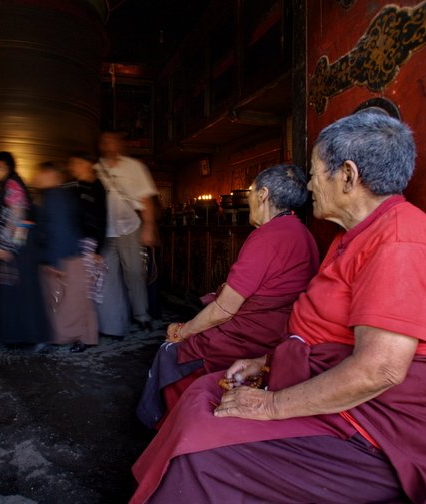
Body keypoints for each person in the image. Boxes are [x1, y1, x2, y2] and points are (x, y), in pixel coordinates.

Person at [130, 110, 426, 503]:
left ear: (347, 176)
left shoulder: (400, 239)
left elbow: (380, 370)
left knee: (202, 451)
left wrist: (270, 405)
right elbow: (323, 327)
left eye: (313, 173)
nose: (309, 186)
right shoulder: (356, 234)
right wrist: (265, 362)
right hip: (310, 369)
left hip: (370, 420)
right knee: (204, 397)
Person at [136, 164, 319, 428]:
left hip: (249, 337)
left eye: (252, 192)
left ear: (263, 195)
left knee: (170, 350)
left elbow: (224, 309)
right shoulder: (302, 233)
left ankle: (167, 426)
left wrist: (184, 331)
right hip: (276, 331)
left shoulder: (268, 237)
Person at [95, 131, 159, 337]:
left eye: (113, 139)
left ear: (120, 143)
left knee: (134, 274)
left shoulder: (134, 167)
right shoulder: (96, 169)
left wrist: (148, 227)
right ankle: (113, 322)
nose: (109, 144)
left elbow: (146, 199)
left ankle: (142, 316)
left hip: (130, 228)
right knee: (107, 277)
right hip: (105, 232)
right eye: (105, 140)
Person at [34, 161, 98, 353]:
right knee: (75, 300)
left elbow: (59, 229)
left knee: (72, 302)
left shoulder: (54, 198)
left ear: (51, 174)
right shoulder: (57, 195)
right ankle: (83, 337)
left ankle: (81, 337)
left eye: (41, 173)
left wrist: (55, 261)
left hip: (65, 256)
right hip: (68, 253)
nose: (36, 177)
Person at [0, 151, 49, 348]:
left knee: (22, 292)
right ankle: (16, 336)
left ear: (2, 166)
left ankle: (33, 336)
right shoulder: (11, 183)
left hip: (19, 248)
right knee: (15, 293)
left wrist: (7, 246)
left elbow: (17, 215)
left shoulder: (12, 184)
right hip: (19, 247)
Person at [69, 151, 108, 308]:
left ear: (87, 165)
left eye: (76, 163)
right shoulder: (74, 186)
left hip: (89, 243)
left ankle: (86, 328)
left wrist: (98, 249)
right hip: (74, 242)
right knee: (75, 286)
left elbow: (102, 218)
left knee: (86, 290)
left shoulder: (97, 187)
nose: (72, 167)